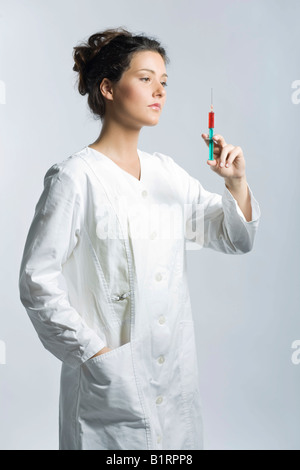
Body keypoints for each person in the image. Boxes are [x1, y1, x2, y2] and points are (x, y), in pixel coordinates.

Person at [18, 27, 261, 450]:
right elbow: (37, 281)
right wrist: (95, 356)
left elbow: (233, 238)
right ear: (108, 88)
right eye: (146, 78)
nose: (159, 91)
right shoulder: (76, 177)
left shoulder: (166, 173)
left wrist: (236, 183)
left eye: (164, 82)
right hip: (108, 390)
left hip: (172, 381)